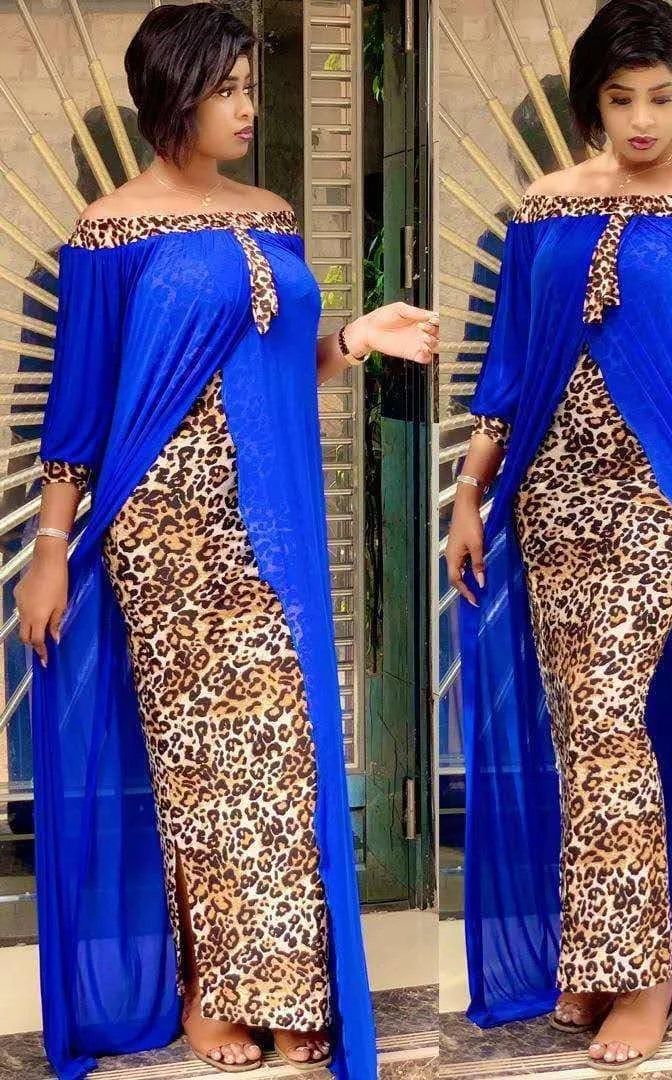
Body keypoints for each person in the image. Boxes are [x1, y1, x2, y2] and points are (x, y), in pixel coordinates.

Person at [14, 5, 438, 1078]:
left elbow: (280, 364)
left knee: (283, 757)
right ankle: (211, 992)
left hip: (272, 521)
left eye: (251, 86)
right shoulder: (108, 232)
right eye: (228, 89)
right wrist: (52, 550)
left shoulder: (271, 216)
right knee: (201, 767)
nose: (249, 108)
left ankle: (287, 987)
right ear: (174, 96)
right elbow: (79, 410)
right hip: (167, 532)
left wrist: (355, 336)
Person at [446, 0, 672, 1072]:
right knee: (583, 726)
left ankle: (643, 977)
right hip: (555, 492)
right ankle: (601, 955)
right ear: (590, 101)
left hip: (671, 492)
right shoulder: (546, 206)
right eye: (619, 98)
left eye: (660, 97)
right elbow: (509, 366)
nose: (642, 119)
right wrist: (469, 494)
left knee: (606, 718)